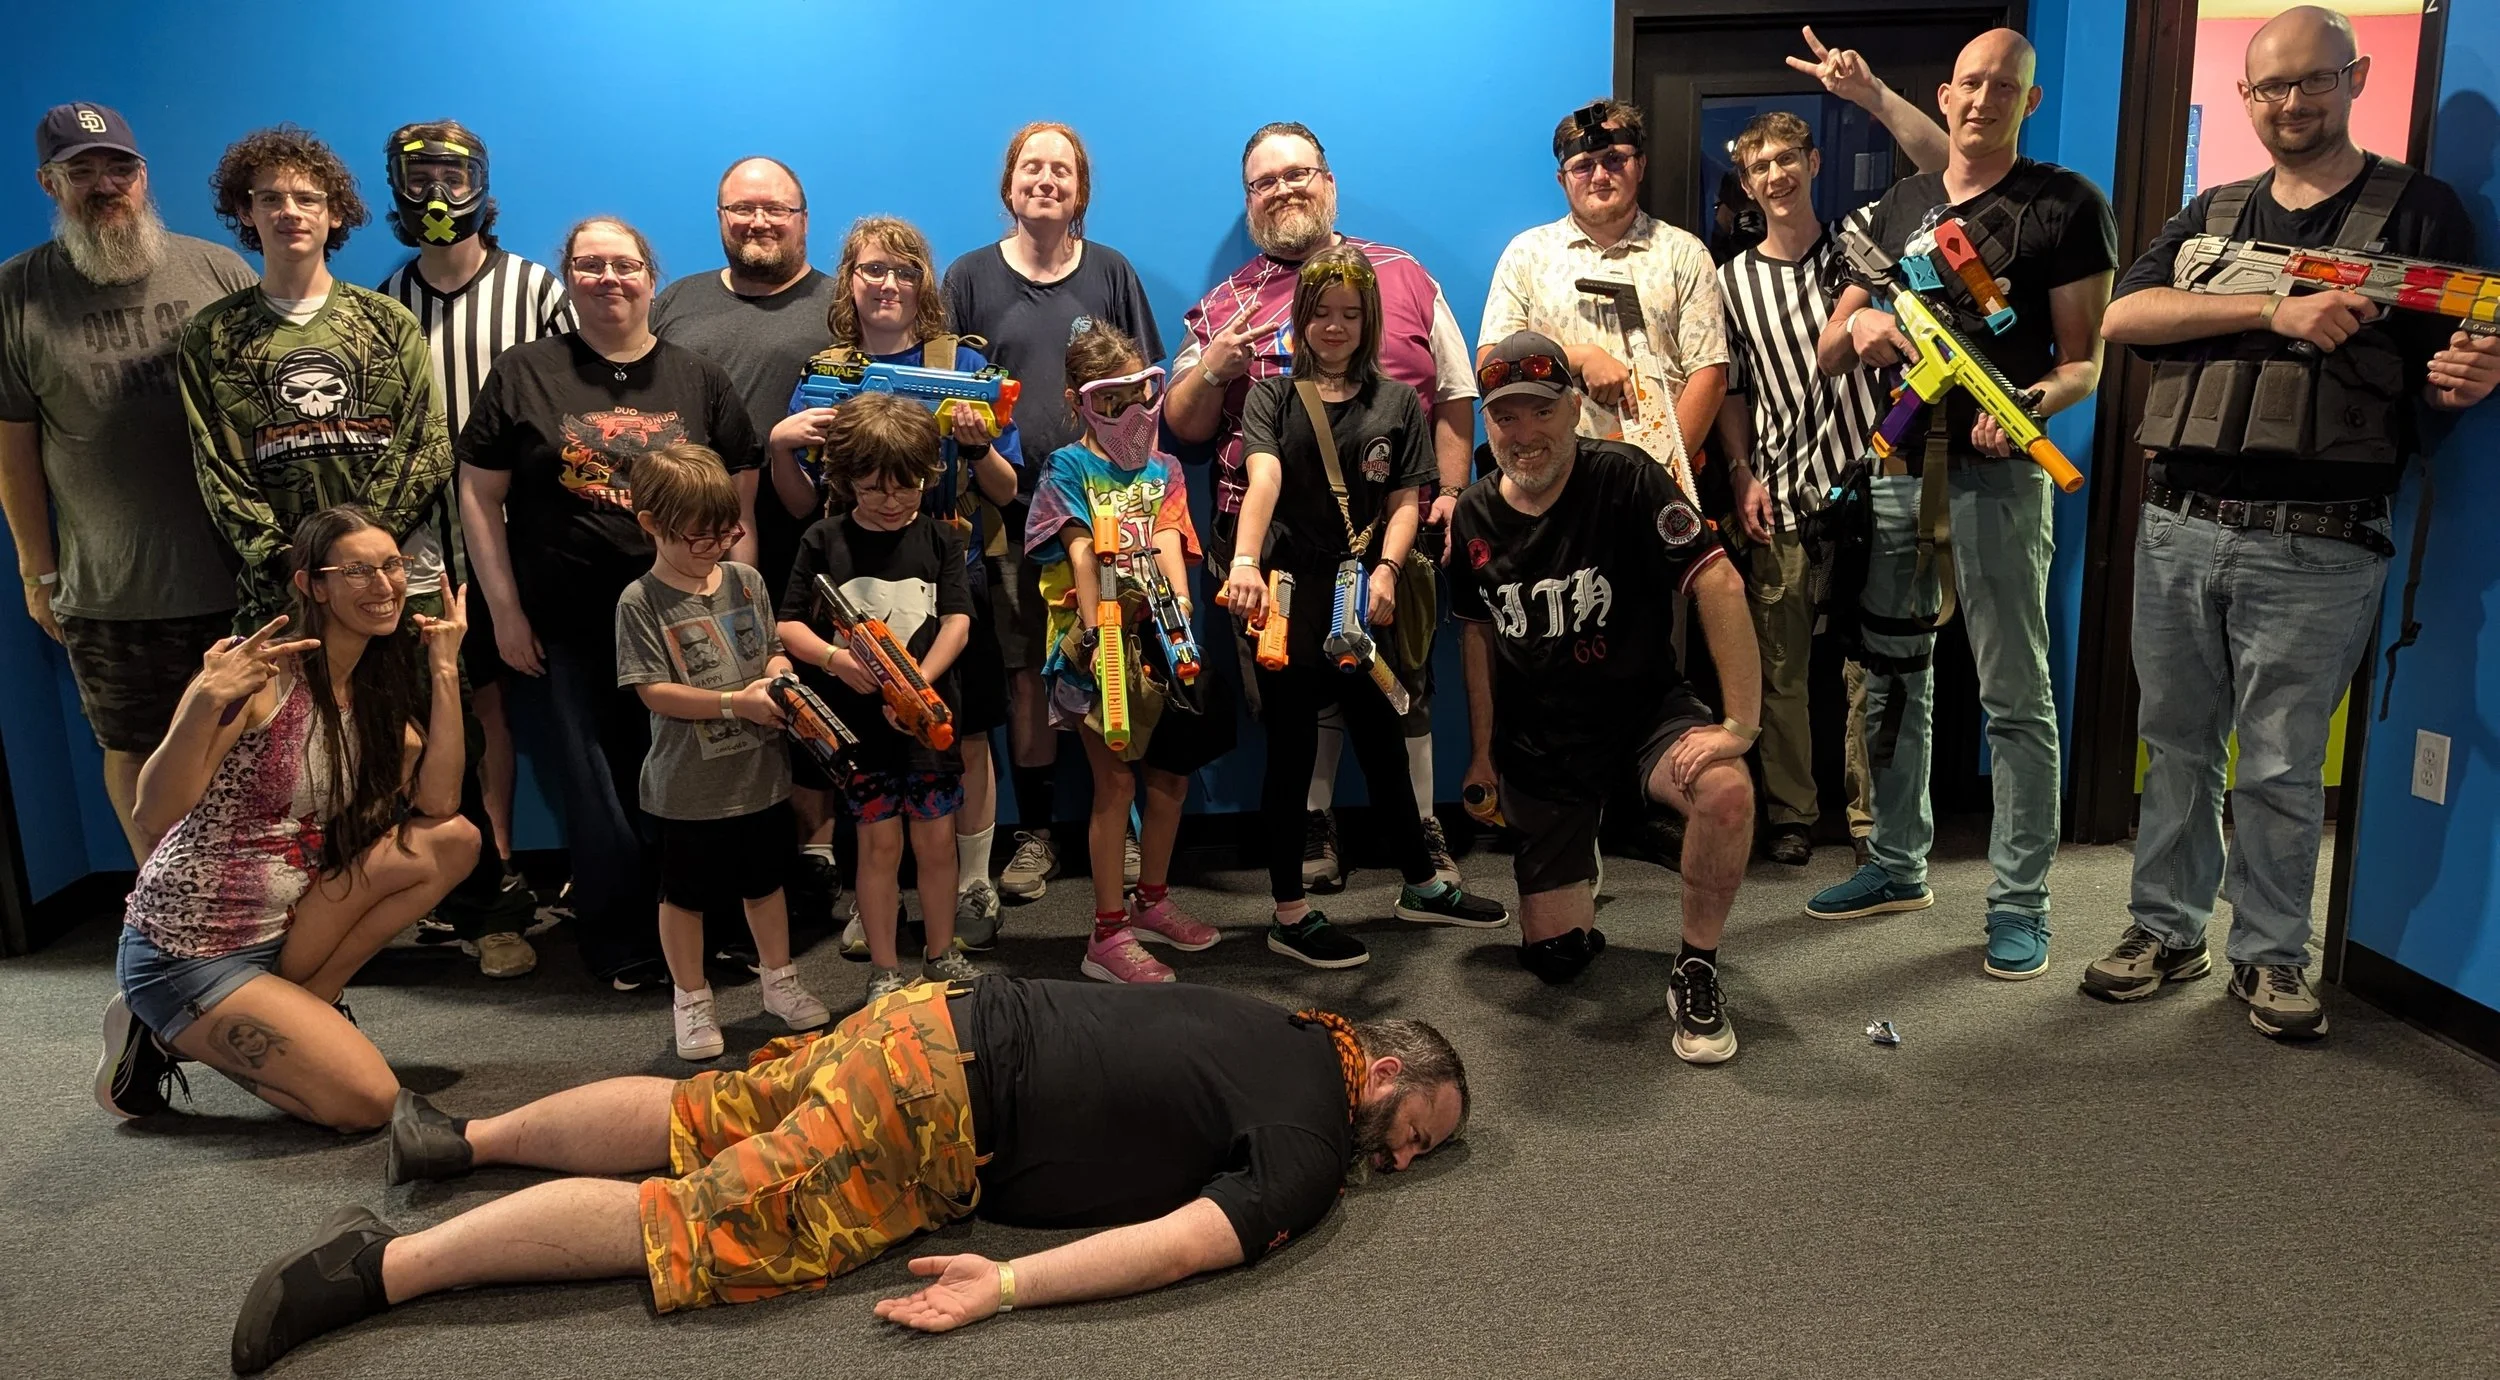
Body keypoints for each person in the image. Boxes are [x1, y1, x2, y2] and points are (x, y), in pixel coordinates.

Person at [227, 978, 1466, 1373]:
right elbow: (1192, 1240)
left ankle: (458, 1140)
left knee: (704, 1112)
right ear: (1385, 1074)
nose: (1405, 1156)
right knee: (701, 1221)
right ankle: (374, 1268)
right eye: (1420, 1125)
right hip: (934, 1114)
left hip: (927, 1019)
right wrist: (1010, 1288)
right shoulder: (1312, 1134)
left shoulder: (1288, 1020)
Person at [2088, 6, 2500, 1039]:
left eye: (2312, 81)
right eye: (2270, 87)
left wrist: (2474, 371)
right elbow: (2123, 316)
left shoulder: (2422, 214)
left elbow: (2463, 340)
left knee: (2278, 763)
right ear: (2245, 97)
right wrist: (2274, 308)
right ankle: (2163, 929)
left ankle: (2270, 955)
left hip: (2320, 538)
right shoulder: (2211, 214)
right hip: (2180, 520)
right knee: (2175, 744)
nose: (2291, 104)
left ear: (2353, 78)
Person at [1807, 29, 2118, 982]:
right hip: (1899, 468)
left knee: (2016, 697)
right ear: (1944, 96)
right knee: (1895, 678)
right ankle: (1898, 864)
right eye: (1971, 83)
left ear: (2029, 102)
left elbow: (2083, 363)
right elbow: (1829, 347)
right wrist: (1864, 322)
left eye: (2006, 87)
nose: (1984, 99)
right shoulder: (1898, 206)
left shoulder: (2064, 205)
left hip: (2001, 474)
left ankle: (2022, 902)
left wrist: (2026, 406)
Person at [1166, 121, 1479, 895]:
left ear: (1330, 183)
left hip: (1392, 528)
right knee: (1298, 694)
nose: (1285, 190)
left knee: (1398, 681)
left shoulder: (1405, 275)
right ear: (1249, 204)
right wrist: (1212, 368)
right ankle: (1313, 822)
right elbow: (1184, 424)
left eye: (1298, 173)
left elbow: (1456, 390)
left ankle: (1420, 830)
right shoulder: (1223, 307)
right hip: (1275, 548)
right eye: (1266, 182)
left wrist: (1449, 492)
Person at [94, 506, 479, 1128]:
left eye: (392, 566)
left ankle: (307, 1004)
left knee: (452, 841)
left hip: (287, 924)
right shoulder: (263, 681)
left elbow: (440, 805)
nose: (383, 586)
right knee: (369, 1105)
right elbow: (152, 813)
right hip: (190, 948)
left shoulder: (373, 696)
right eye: (357, 571)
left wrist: (443, 667)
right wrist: (202, 702)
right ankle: (159, 1031)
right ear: (312, 585)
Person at [456, 216, 764, 988]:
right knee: (599, 787)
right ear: (568, 279)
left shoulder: (697, 377)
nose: (608, 279)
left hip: (689, 619)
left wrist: (743, 614)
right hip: (570, 620)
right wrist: (505, 612)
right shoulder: (525, 374)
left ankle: (718, 926)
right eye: (589, 265)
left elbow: (741, 509)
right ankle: (623, 940)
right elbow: (477, 494)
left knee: (703, 773)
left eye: (623, 264)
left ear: (650, 278)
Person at [1453, 333, 1760, 1063]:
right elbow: (1477, 640)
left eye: (1540, 412)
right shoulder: (1472, 516)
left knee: (1725, 793)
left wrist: (1739, 726)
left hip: (1641, 719)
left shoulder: (1626, 476)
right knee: (1556, 960)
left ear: (1574, 407)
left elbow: (1717, 581)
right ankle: (1588, 843)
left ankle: (1696, 966)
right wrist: (1483, 756)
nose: (1523, 434)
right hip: (1543, 742)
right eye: (1505, 419)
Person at [1223, 250, 1509, 969]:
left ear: (1369, 320)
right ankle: (1290, 911)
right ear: (1302, 317)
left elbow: (1404, 501)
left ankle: (1419, 882)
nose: (1335, 327)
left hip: (1359, 589)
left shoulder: (1395, 404)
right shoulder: (1274, 399)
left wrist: (1385, 570)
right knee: (1290, 748)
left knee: (1383, 731)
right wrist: (1245, 562)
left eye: (1350, 314)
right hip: (1289, 590)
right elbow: (1263, 480)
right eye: (1321, 313)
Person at [0, 102, 256, 863]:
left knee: (250, 746)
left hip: (236, 573)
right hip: (111, 585)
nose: (105, 185)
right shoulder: (16, 293)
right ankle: (164, 917)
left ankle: (255, 920)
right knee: (134, 747)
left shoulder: (216, 268)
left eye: (120, 168)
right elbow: (13, 451)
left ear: (144, 178)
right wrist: (36, 569)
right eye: (82, 171)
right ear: (50, 183)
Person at [943, 122, 1165, 907]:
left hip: (1107, 504)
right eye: (1031, 167)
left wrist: (1144, 496)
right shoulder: (968, 277)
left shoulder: (1110, 272)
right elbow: (948, 385)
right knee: (1030, 675)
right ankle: (1034, 832)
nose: (1046, 179)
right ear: (1009, 186)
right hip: (1010, 512)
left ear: (1081, 191)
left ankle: (1121, 821)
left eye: (1061, 170)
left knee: (1117, 657)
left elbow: (1144, 389)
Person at [375, 117, 573, 978]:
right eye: (419, 177)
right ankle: (474, 881)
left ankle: (524, 875)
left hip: (523, 539)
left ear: (482, 184)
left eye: (454, 176)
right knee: (446, 711)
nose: (438, 194)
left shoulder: (536, 290)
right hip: (423, 544)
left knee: (514, 712)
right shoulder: (385, 299)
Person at [796, 216, 1022, 952]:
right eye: (871, 270)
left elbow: (1006, 487)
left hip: (952, 567)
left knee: (968, 730)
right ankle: (878, 897)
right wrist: (781, 445)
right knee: (865, 740)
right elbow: (804, 499)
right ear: (849, 281)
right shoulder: (826, 369)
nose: (888, 284)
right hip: (855, 579)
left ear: (924, 281)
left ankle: (971, 882)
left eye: (904, 270)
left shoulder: (964, 364)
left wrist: (977, 443)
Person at [651, 155, 848, 924]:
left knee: (809, 697)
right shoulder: (678, 302)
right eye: (741, 209)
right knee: (708, 694)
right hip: (693, 540)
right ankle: (716, 860)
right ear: (720, 217)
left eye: (776, 210)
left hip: (809, 535)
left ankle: (814, 855)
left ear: (803, 219)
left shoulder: (841, 307)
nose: (758, 222)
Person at [178, 126, 452, 636]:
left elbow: (426, 446)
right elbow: (217, 468)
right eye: (271, 198)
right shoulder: (212, 335)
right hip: (285, 589)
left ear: (336, 212)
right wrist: (291, 562)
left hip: (398, 583)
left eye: (307, 198)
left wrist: (355, 557)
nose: (290, 211)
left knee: (425, 716)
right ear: (246, 211)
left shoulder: (387, 322)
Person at [1712, 110, 1896, 869]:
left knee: (1873, 669)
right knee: (1780, 671)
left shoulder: (1859, 252)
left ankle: (1869, 818)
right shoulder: (1731, 281)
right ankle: (1791, 811)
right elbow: (1734, 391)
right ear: (1748, 183)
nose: (1775, 176)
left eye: (1787, 159)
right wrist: (1741, 472)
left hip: (1869, 486)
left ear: (1815, 162)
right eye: (1760, 167)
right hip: (1779, 495)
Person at [1025, 318, 1229, 983]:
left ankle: (1152, 902)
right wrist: (1098, 634)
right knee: (1114, 784)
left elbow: (1171, 535)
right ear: (1079, 400)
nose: (1132, 413)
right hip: (1097, 648)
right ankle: (1105, 935)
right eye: (1112, 400)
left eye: (1142, 393)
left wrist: (1181, 609)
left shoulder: (1164, 465)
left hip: (1163, 642)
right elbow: (1083, 551)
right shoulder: (1068, 467)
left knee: (1170, 778)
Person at [616, 443, 831, 1060]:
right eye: (698, 538)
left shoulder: (747, 580)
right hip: (687, 788)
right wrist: (739, 704)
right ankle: (691, 998)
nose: (715, 547)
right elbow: (652, 691)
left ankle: (779, 981)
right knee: (683, 895)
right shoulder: (640, 601)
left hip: (760, 775)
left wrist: (780, 671)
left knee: (766, 884)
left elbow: (769, 647)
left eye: (725, 532)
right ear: (652, 525)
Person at [776, 394, 984, 1002]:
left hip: (929, 721)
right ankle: (886, 969)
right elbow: (789, 624)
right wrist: (839, 662)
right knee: (878, 845)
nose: (892, 502)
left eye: (907, 486)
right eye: (872, 490)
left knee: (937, 843)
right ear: (844, 482)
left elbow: (958, 622)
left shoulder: (943, 538)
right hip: (859, 726)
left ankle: (943, 955)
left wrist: (916, 681)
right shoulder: (823, 539)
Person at [1479, 99, 1730, 488]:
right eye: (1583, 165)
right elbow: (1490, 366)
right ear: (1562, 178)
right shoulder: (1526, 255)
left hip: (1661, 478)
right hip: (1550, 482)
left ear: (1640, 165)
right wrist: (1577, 359)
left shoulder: (1684, 254)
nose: (1600, 175)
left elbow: (1709, 374)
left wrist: (1659, 475)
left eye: (1615, 159)